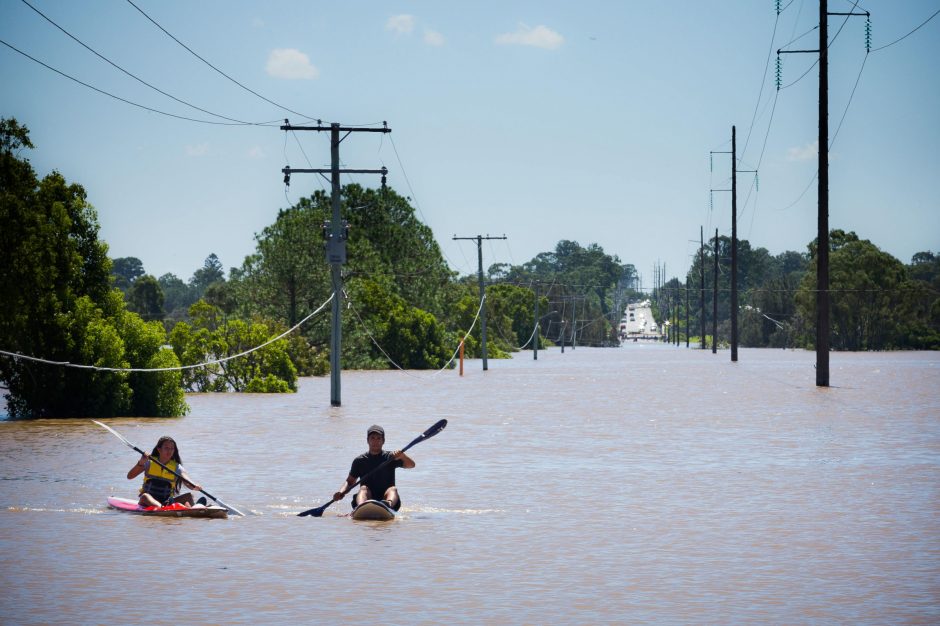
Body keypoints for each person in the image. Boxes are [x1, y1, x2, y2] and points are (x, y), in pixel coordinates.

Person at [333, 424, 415, 511]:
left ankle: (387, 506)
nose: (375, 441)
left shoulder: (391, 457)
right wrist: (341, 492)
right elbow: (350, 482)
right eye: (372, 438)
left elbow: (411, 465)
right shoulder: (359, 461)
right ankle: (361, 507)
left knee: (393, 489)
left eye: (379, 438)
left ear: (383, 441)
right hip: (367, 498)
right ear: (367, 441)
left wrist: (403, 456)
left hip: (386, 499)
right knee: (363, 488)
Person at [126, 435, 204, 508]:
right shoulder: (149, 463)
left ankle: (195, 509)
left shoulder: (177, 467)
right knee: (144, 496)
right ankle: (166, 508)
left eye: (172, 449)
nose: (169, 451)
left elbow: (187, 481)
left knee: (189, 496)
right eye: (166, 448)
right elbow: (130, 476)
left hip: (166, 502)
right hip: (147, 502)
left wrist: (194, 485)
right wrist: (141, 462)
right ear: (159, 449)